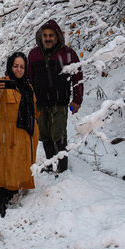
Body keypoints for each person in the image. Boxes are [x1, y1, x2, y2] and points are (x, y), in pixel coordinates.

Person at [0, 52, 39, 217]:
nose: (18, 70)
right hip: (6, 133)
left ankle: (13, 190)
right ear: (10, 66)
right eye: (15, 66)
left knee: (18, 163)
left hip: (24, 133)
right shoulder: (2, 83)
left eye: (22, 66)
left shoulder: (28, 87)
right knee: (4, 165)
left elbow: (34, 108)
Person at [27, 19, 83, 174]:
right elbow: (29, 79)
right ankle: (51, 164)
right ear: (41, 37)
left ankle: (62, 168)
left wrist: (77, 100)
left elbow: (77, 78)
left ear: (58, 36)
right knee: (44, 135)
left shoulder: (68, 54)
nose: (48, 38)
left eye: (51, 35)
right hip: (40, 103)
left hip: (60, 102)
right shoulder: (34, 54)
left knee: (58, 135)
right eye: (45, 35)